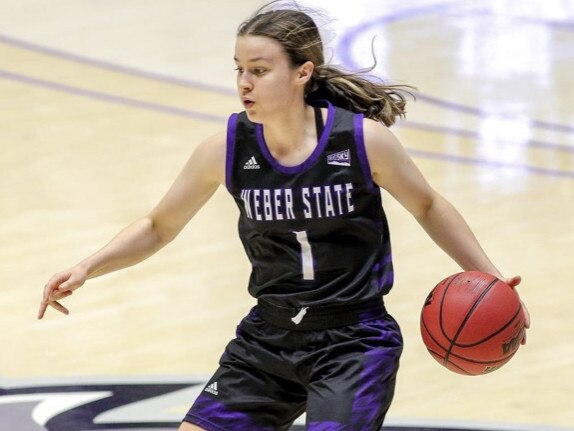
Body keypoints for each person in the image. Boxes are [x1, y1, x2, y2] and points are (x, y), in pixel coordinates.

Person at [38, 3, 529, 431]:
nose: (244, 83)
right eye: (238, 70)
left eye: (259, 70)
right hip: (267, 339)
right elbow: (158, 226)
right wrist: (87, 267)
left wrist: (490, 277)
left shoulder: (361, 142)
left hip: (353, 344)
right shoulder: (226, 149)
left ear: (302, 72)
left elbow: (428, 205)